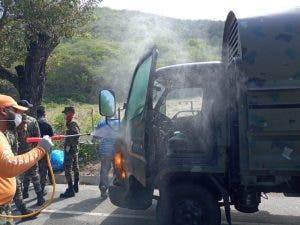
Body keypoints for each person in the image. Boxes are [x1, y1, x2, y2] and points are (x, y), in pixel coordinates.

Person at [0, 94, 53, 225]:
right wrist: (40, 149)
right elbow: (9, 165)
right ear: (3, 111)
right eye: (16, 112)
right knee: (32, 177)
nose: (19, 116)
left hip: (5, 204)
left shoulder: (4, 132)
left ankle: (30, 203)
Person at [16, 100, 45, 206]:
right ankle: (40, 197)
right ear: (25, 109)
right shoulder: (33, 120)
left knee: (19, 175)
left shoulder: (12, 121)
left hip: (17, 153)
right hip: (30, 152)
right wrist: (37, 152)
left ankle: (24, 193)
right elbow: (38, 138)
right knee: (34, 174)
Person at [4, 130, 37, 221]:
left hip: (12, 166)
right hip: (5, 168)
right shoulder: (5, 135)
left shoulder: (11, 133)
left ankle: (24, 212)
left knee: (17, 189)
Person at [93, 119, 119, 199]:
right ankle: (116, 189)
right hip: (117, 151)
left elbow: (96, 137)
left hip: (105, 150)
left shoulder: (102, 123)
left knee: (104, 170)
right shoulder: (119, 122)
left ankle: (103, 188)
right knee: (117, 171)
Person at [60, 106, 80, 198]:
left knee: (67, 168)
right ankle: (75, 186)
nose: (65, 115)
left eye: (66, 113)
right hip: (74, 148)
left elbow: (76, 135)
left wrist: (69, 142)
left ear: (70, 113)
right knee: (75, 166)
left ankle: (71, 189)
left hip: (71, 149)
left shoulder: (72, 122)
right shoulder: (73, 121)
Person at [36, 105, 54, 191]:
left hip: (36, 149)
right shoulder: (47, 124)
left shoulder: (35, 123)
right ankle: (42, 189)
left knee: (39, 168)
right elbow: (52, 136)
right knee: (47, 166)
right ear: (44, 113)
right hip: (46, 148)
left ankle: (39, 186)